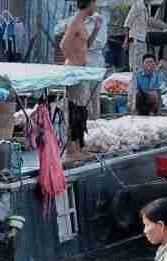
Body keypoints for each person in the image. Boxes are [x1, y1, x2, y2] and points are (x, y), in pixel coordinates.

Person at [60, 0, 99, 158]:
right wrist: (74, 63)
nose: (96, 7)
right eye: (95, 4)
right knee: (74, 110)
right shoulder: (75, 21)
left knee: (82, 110)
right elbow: (63, 45)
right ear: (89, 4)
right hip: (75, 70)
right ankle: (71, 149)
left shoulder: (82, 22)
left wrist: (96, 30)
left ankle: (79, 146)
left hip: (82, 69)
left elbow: (85, 46)